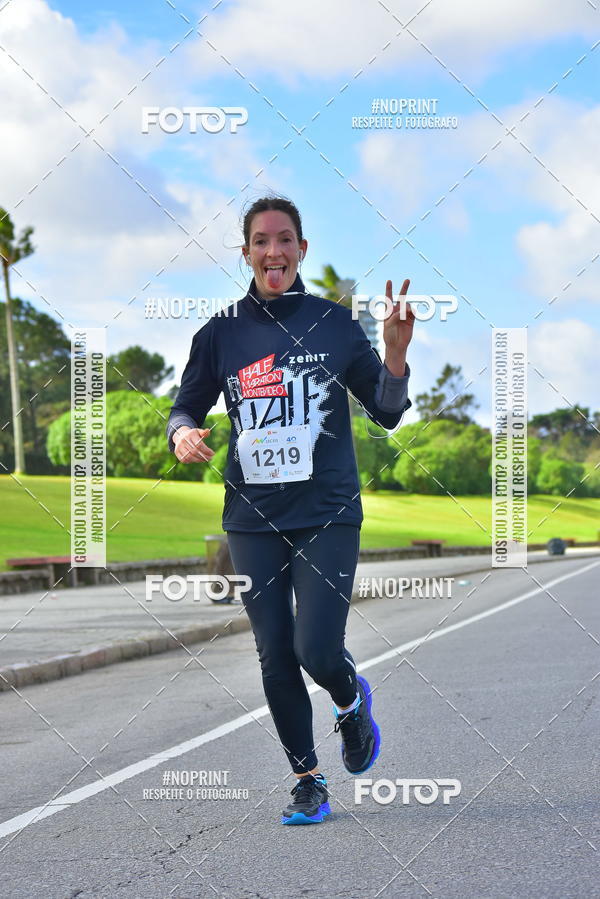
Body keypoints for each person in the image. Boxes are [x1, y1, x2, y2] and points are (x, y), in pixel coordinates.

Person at [166, 196, 415, 825]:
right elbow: (185, 405)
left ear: (303, 248)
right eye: (260, 241)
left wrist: (393, 354)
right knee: (274, 652)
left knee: (316, 649)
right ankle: (308, 780)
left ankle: (348, 697)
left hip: (328, 509)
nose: (272, 251)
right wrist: (182, 434)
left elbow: (385, 410)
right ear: (246, 251)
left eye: (284, 240)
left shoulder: (334, 324)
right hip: (252, 517)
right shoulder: (219, 333)